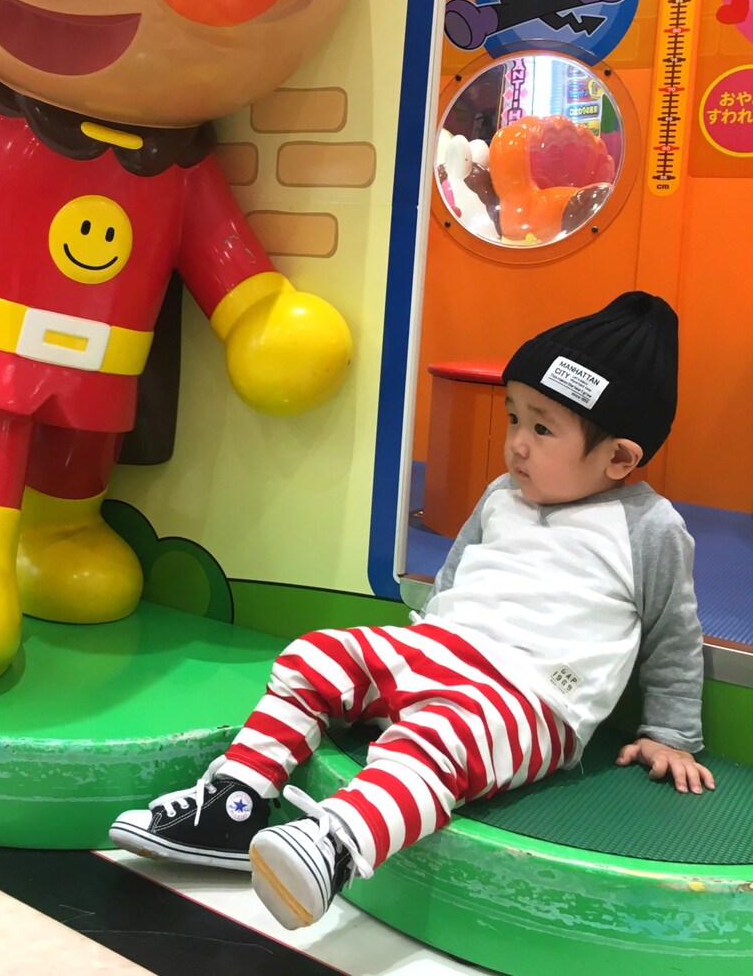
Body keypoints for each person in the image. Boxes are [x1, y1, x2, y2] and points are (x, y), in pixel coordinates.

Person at [110, 291, 714, 931]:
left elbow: (673, 634)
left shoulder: (650, 529)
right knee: (315, 655)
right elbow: (454, 577)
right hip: (443, 648)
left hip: (534, 698)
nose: (516, 444)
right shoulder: (502, 496)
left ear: (619, 457)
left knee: (446, 736)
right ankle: (233, 804)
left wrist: (670, 734)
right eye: (513, 417)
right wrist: (401, 660)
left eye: (541, 429)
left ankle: (336, 845)